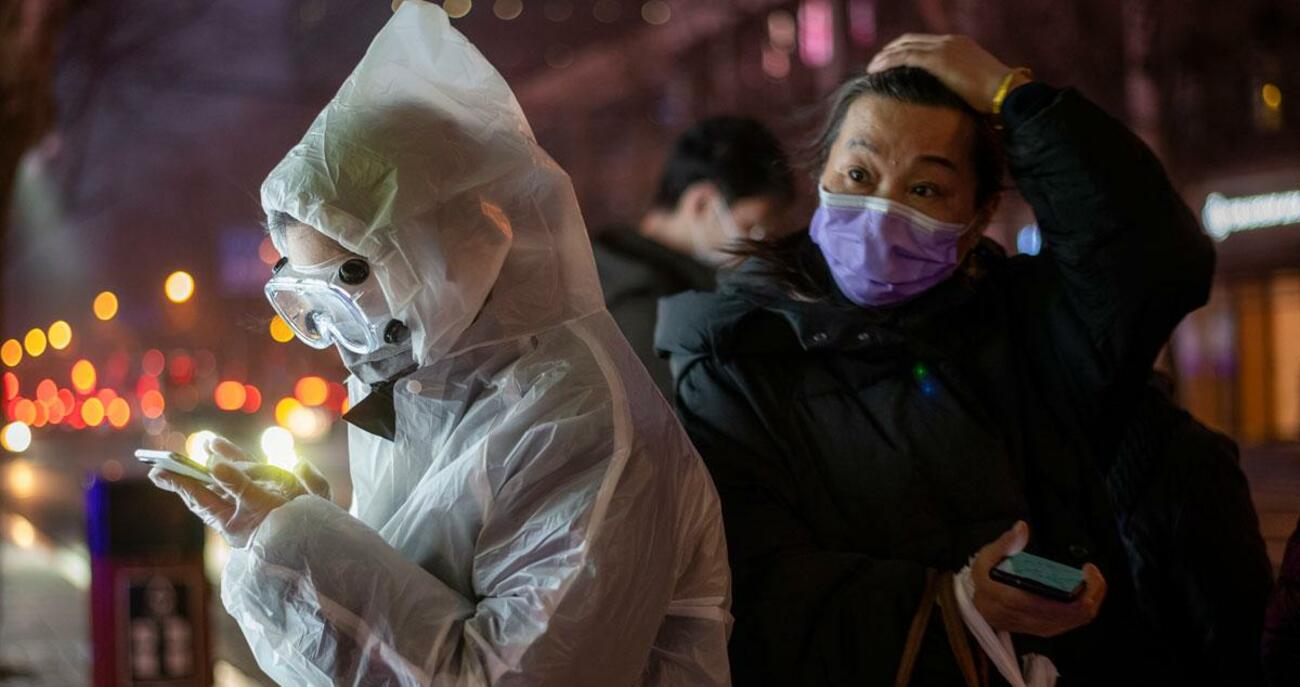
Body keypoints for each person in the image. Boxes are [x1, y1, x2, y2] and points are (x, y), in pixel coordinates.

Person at [147, 2, 730, 685]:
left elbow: (503, 674)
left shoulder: (581, 423)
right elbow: (418, 607)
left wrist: (298, 544)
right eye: (314, 298)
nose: (342, 327)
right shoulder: (431, 385)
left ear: (455, 245)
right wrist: (306, 525)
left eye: (356, 278)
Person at [657, 33, 1237, 685]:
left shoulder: (1026, 327)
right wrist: (953, 605)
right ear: (820, 176)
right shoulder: (734, 355)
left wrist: (1014, 97)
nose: (881, 210)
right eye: (859, 173)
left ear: (977, 215)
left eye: (927, 188)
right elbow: (752, 588)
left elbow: (1155, 258)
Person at [593, 116, 794, 397]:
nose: (758, 247)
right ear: (701, 203)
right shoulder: (649, 309)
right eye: (751, 228)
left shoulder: (607, 264)